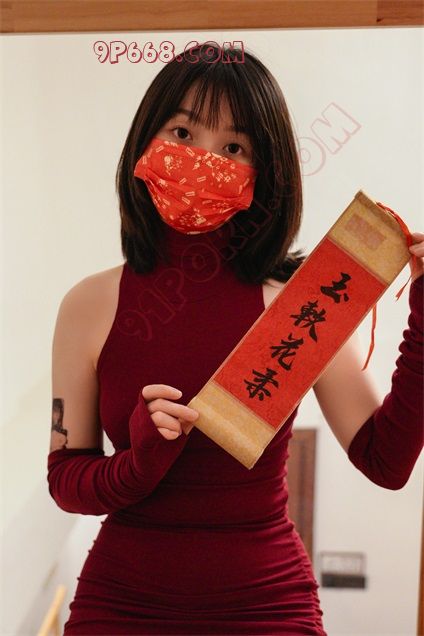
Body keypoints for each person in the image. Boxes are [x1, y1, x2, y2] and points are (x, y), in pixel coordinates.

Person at [47, 44, 424, 635]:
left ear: (265, 172)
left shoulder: (299, 302)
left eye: (234, 148)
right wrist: (137, 466)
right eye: (183, 132)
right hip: (121, 603)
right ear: (145, 142)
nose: (203, 160)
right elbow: (66, 479)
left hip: (268, 605)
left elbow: (386, 460)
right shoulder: (87, 305)